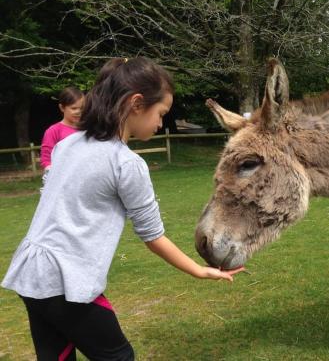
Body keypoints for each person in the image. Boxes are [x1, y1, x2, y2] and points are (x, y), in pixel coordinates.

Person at [1, 57, 244, 361]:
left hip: (30, 274)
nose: (160, 123)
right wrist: (199, 270)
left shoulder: (67, 146)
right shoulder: (126, 164)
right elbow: (153, 237)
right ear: (137, 104)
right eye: (161, 113)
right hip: (64, 283)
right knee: (118, 357)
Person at [40, 87, 84, 171]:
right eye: (74, 108)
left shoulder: (87, 129)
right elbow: (46, 159)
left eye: (81, 108)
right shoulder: (54, 131)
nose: (78, 112)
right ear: (62, 108)